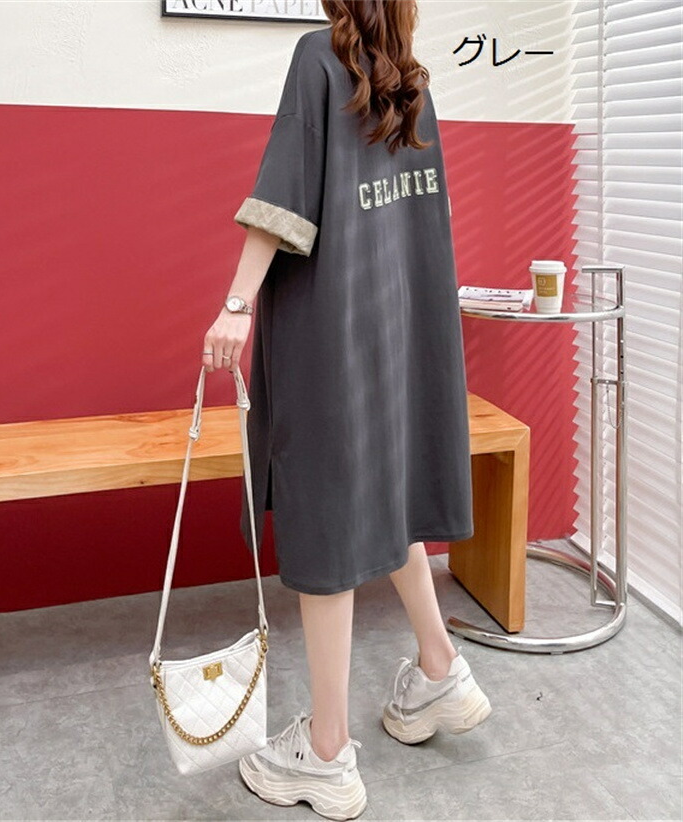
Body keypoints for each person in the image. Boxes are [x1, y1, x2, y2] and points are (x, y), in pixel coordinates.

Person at [202, 1, 491, 818]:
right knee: (385, 495)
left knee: (327, 519)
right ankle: (439, 669)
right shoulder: (412, 83)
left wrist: (235, 305)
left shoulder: (317, 60)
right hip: (402, 327)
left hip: (332, 331)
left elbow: (283, 195)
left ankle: (326, 753)